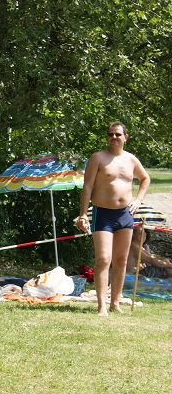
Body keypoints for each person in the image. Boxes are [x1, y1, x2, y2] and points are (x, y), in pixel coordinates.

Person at [75, 121, 150, 316]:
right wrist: (83, 213)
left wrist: (138, 199)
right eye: (111, 134)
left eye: (118, 134)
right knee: (103, 258)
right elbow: (87, 187)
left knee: (121, 260)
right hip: (103, 213)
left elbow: (145, 179)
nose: (114, 138)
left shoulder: (131, 160)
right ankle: (101, 305)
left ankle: (115, 303)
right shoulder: (98, 158)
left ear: (126, 137)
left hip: (125, 213)